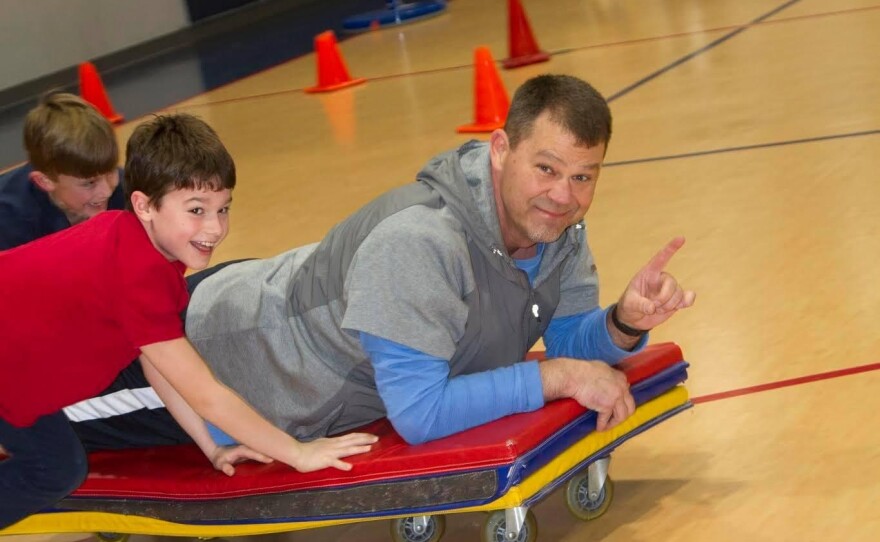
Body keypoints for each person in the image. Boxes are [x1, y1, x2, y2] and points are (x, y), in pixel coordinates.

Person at [70, 74, 695, 453]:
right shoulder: (422, 241)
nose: (564, 194)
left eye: (584, 177)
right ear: (501, 149)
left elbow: (567, 338)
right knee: (29, 411)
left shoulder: (557, 227)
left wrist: (624, 323)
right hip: (219, 352)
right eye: (547, 169)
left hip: (283, 303)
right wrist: (559, 378)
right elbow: (421, 415)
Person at [0, 114, 376, 530]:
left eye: (223, 208)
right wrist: (299, 453)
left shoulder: (140, 245)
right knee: (54, 470)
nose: (214, 227)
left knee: (56, 466)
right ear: (144, 204)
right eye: (196, 210)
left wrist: (211, 447)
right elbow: (206, 394)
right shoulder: (136, 272)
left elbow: (156, 365)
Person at [0, 93, 125, 250]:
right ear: (45, 181)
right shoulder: (9, 224)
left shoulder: (127, 187)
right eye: (90, 183)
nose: (106, 191)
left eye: (110, 172)